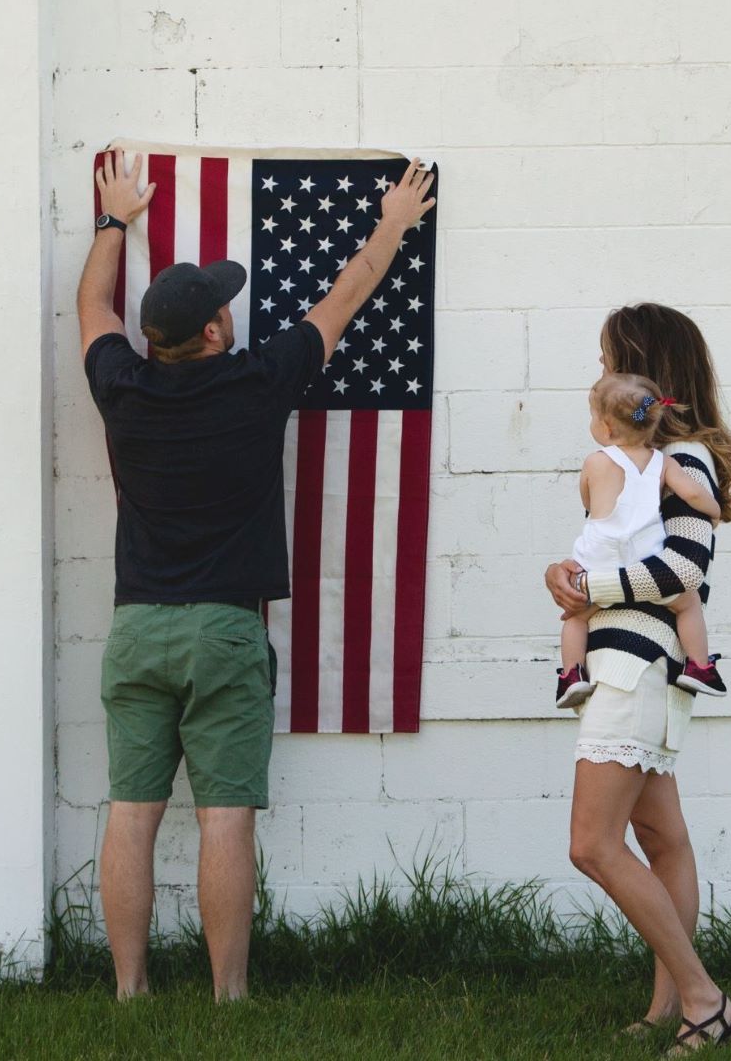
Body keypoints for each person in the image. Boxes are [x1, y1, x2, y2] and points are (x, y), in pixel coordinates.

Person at [78, 150, 435, 1001]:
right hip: (225, 632)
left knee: (130, 813)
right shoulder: (254, 384)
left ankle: (129, 993)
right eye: (224, 309)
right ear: (210, 334)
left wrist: (112, 221)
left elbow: (92, 305)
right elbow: (345, 297)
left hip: (137, 629)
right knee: (223, 815)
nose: (233, 313)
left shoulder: (120, 387)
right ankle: (228, 997)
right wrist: (392, 224)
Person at [542, 303, 731, 1052]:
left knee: (592, 844)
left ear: (641, 368)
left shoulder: (679, 458)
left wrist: (584, 591)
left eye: (608, 362)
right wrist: (565, 573)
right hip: (640, 664)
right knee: (662, 837)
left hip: (634, 664)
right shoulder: (646, 462)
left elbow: (685, 569)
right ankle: (668, 1010)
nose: (601, 377)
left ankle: (704, 998)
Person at [554, 372, 727, 709]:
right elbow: (692, 493)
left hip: (599, 565)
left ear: (606, 428)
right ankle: (699, 666)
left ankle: (572, 675)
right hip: (645, 563)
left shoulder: (595, 461)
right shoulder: (665, 462)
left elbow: (588, 504)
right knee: (687, 603)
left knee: (576, 618)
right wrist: (714, 510)